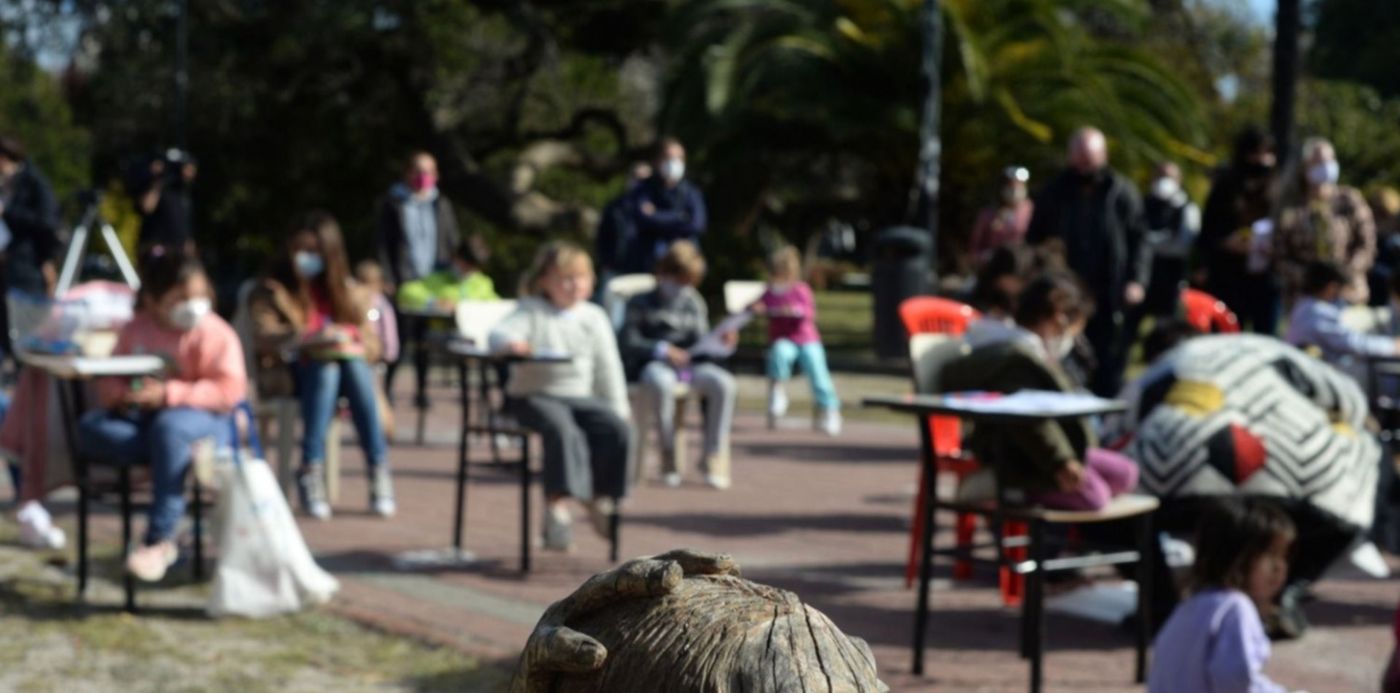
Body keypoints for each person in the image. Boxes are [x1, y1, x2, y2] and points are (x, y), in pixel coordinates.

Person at [77, 248, 246, 582]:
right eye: (181, 296)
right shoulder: (135, 330)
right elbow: (109, 378)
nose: (193, 303)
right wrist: (123, 397)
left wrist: (170, 395)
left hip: (203, 421)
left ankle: (160, 537)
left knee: (170, 430)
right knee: (91, 427)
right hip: (146, 425)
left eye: (199, 294)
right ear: (154, 300)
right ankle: (168, 457)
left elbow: (229, 391)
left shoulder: (215, 332)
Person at [942, 273, 1139, 511]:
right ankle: (1021, 496)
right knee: (1094, 497)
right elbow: (1029, 420)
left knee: (1126, 473)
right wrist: (1061, 462)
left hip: (1049, 451)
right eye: (1074, 330)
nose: (1071, 339)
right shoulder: (1016, 359)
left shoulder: (1033, 350)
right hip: (1020, 458)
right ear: (1058, 317)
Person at [249, 212, 394, 520]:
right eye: (301, 250)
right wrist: (309, 338)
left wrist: (350, 339)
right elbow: (263, 334)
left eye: (315, 252)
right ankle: (311, 469)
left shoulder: (347, 292)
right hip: (291, 374)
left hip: (348, 375)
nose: (306, 258)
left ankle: (375, 467)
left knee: (349, 365)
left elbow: (373, 343)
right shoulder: (271, 289)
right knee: (327, 367)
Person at [489, 242, 632, 551]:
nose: (573, 285)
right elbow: (499, 334)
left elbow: (609, 367)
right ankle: (557, 508)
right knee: (563, 430)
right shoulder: (531, 309)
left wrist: (619, 407)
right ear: (544, 281)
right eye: (564, 278)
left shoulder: (594, 316)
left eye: (580, 277)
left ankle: (599, 497)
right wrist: (512, 345)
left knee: (616, 428)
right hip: (532, 395)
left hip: (578, 396)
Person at [1026, 127, 1149, 396]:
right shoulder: (1054, 192)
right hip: (1066, 292)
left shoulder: (1121, 192)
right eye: (1079, 158)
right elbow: (1034, 239)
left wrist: (1137, 280)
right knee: (1065, 360)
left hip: (1109, 293)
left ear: (1103, 156)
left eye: (1090, 159)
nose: (1084, 166)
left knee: (1109, 364)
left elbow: (1141, 240)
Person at [620, 241, 738, 489]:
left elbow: (702, 344)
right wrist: (662, 349)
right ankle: (668, 452)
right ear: (664, 274)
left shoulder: (692, 302)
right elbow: (628, 340)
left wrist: (723, 344)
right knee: (660, 384)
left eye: (690, 282)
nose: (685, 288)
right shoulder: (640, 302)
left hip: (690, 366)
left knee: (724, 384)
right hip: (655, 365)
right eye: (681, 281)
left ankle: (711, 455)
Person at [1148, 498, 1296, 693]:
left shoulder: (1190, 605)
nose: (1280, 567)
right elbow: (1237, 683)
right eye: (1270, 556)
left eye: (1283, 557)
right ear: (1237, 557)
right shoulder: (1235, 607)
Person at [376, 150, 461, 401]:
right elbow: (383, 244)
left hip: (434, 282)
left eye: (429, 172)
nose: (423, 177)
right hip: (404, 282)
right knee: (399, 337)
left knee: (426, 341)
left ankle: (422, 391)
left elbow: (451, 240)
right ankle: (387, 390)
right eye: (418, 171)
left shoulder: (441, 204)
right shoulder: (393, 203)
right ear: (407, 173)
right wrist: (387, 276)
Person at [1196, 126, 1281, 333]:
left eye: (1267, 153)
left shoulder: (1279, 190)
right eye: (1256, 153)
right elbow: (1208, 230)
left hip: (1265, 279)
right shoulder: (1226, 188)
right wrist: (1225, 242)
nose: (1262, 160)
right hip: (1229, 277)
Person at [751, 245, 841, 436]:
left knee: (817, 368)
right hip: (784, 339)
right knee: (779, 352)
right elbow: (756, 305)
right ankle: (778, 390)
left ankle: (829, 409)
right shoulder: (770, 291)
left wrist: (793, 311)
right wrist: (756, 308)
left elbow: (809, 313)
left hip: (807, 339)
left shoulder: (801, 289)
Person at [1275, 136, 1376, 305]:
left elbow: (1367, 244)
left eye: (1329, 160)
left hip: (1348, 293)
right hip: (1304, 298)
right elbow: (1279, 255)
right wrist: (1313, 279)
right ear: (1306, 166)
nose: (1325, 166)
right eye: (1318, 162)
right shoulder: (1291, 206)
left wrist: (1344, 275)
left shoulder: (1349, 200)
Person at [1285, 260, 1399, 381]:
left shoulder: (1305, 305)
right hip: (1311, 376)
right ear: (1331, 287)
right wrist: (1391, 346)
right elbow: (1352, 343)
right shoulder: (1316, 312)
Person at [0, 136, 61, 357]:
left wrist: (7, 212)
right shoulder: (8, 184)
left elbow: (47, 223)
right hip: (8, 266)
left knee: (28, 329)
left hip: (28, 267)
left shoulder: (34, 183)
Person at [624, 138, 706, 273]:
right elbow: (642, 218)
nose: (675, 163)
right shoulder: (643, 189)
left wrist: (657, 215)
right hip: (648, 264)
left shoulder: (691, 192)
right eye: (669, 157)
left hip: (684, 267)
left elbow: (697, 224)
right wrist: (681, 217)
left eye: (679, 158)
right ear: (656, 161)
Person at [1140, 161, 1200, 315]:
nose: (1163, 180)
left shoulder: (1188, 208)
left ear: (1178, 180)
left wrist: (1149, 241)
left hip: (1172, 276)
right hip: (1144, 272)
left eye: (1168, 177)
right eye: (1159, 176)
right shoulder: (1143, 204)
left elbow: (1182, 245)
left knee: (1167, 322)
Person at [396, 237, 499, 313]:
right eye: (466, 265)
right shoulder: (438, 278)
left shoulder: (483, 283)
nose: (468, 271)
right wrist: (434, 302)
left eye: (473, 267)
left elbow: (498, 306)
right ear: (456, 258)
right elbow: (405, 292)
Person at [595, 162, 653, 287]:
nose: (639, 182)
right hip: (615, 269)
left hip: (646, 272)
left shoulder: (658, 208)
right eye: (635, 177)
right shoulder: (615, 207)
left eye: (645, 179)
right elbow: (602, 236)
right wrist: (606, 262)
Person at [130, 149, 198, 254]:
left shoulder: (183, 195)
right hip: (157, 250)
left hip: (178, 252)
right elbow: (146, 207)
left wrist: (189, 249)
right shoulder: (157, 187)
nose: (190, 173)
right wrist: (158, 182)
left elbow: (185, 228)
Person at [967, 166, 1034, 268]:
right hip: (994, 269)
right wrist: (984, 257)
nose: (1015, 189)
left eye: (1019, 185)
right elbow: (975, 248)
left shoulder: (1032, 211)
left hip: (1023, 268)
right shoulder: (988, 214)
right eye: (1011, 186)